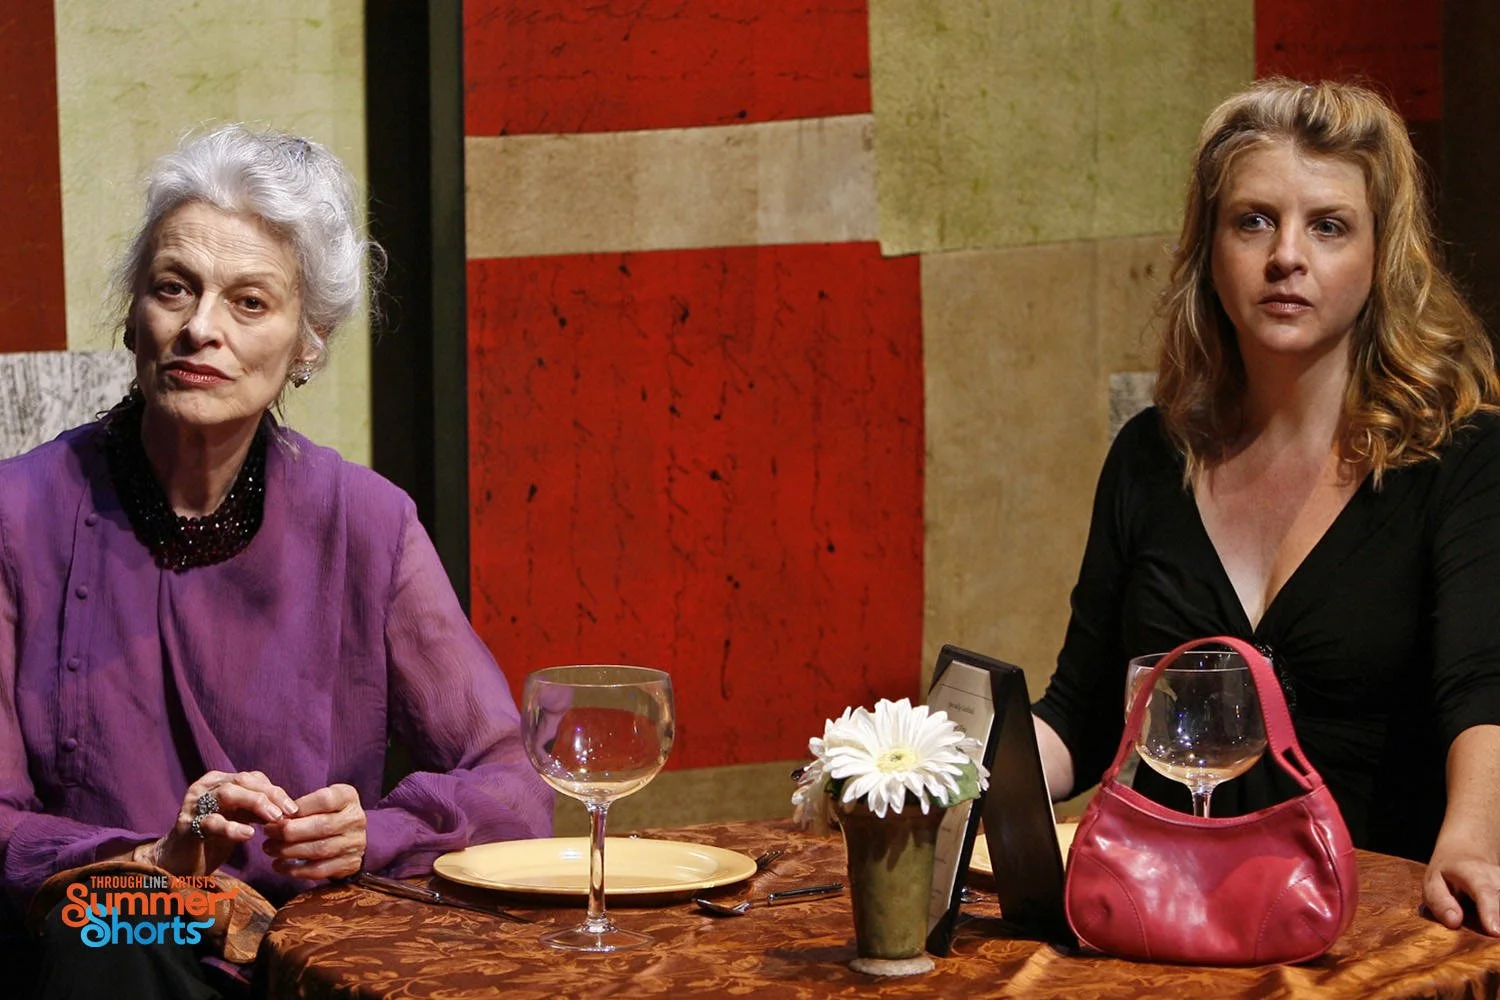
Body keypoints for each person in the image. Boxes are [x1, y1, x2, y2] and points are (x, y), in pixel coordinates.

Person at [0, 125, 554, 993]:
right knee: (107, 936)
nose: (199, 329)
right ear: (131, 315)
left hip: (302, 947)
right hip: (103, 937)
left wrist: (378, 832)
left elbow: (515, 783)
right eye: (173, 289)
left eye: (249, 303)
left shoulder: (367, 522)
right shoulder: (17, 514)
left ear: (309, 342)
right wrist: (153, 858)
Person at [1032, 78, 1500, 937]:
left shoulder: (1462, 456)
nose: (1288, 255)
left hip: (1379, 921)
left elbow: (1484, 691)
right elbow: (1081, 709)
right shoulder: (1151, 454)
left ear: (1379, 255)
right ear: (1209, 249)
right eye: (1253, 220)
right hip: (1172, 917)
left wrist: (1474, 845)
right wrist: (925, 770)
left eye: (1328, 226)